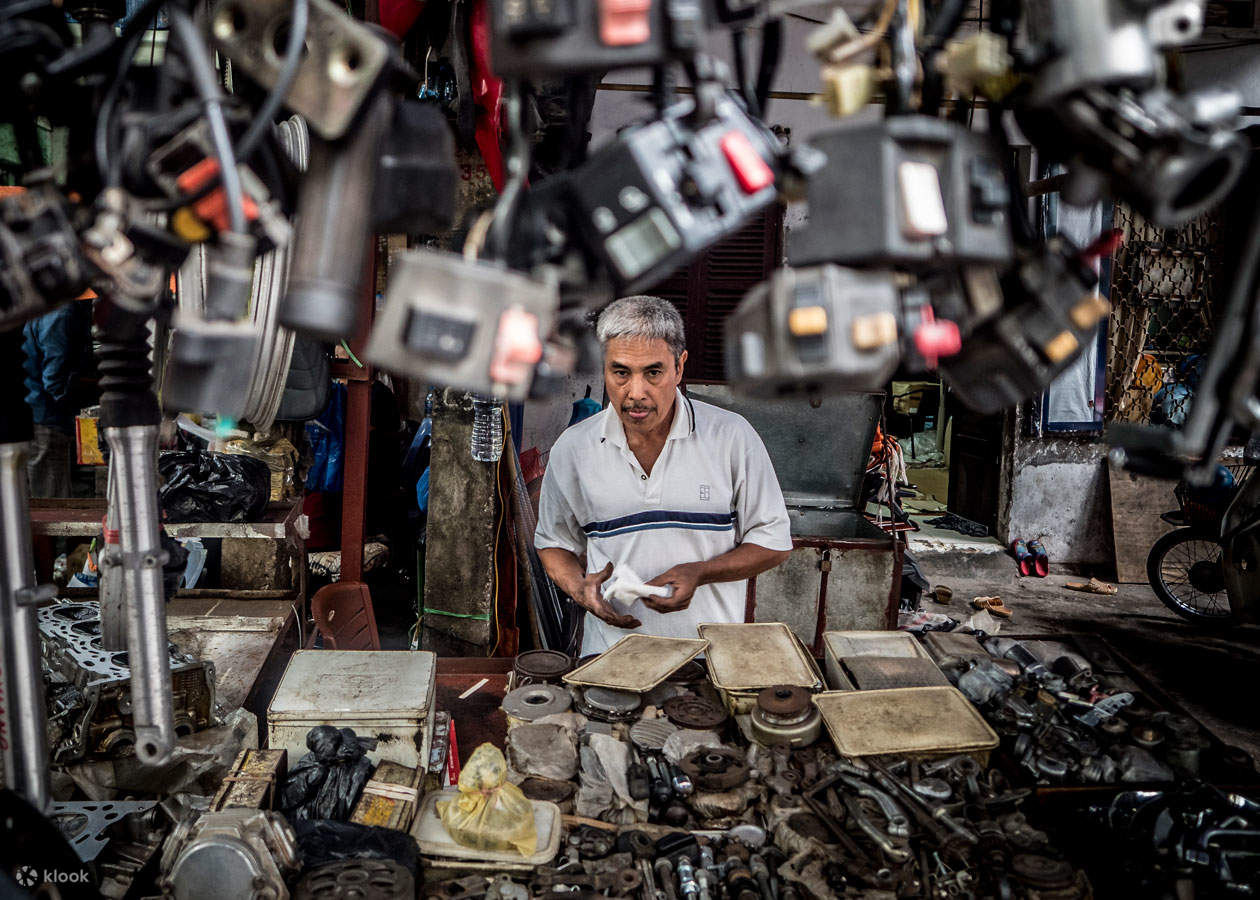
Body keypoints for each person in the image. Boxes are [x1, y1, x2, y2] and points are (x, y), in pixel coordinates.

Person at [536, 295, 792, 654]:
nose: (635, 393)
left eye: (653, 372)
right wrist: (580, 589)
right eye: (621, 372)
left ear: (679, 367)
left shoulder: (731, 437)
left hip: (710, 657)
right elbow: (554, 543)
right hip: (609, 656)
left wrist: (700, 572)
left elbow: (774, 542)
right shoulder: (574, 448)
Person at [23, 302, 92, 498]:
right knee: (51, 500)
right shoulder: (60, 312)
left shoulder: (50, 307)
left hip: (38, 413)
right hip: (45, 417)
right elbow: (55, 379)